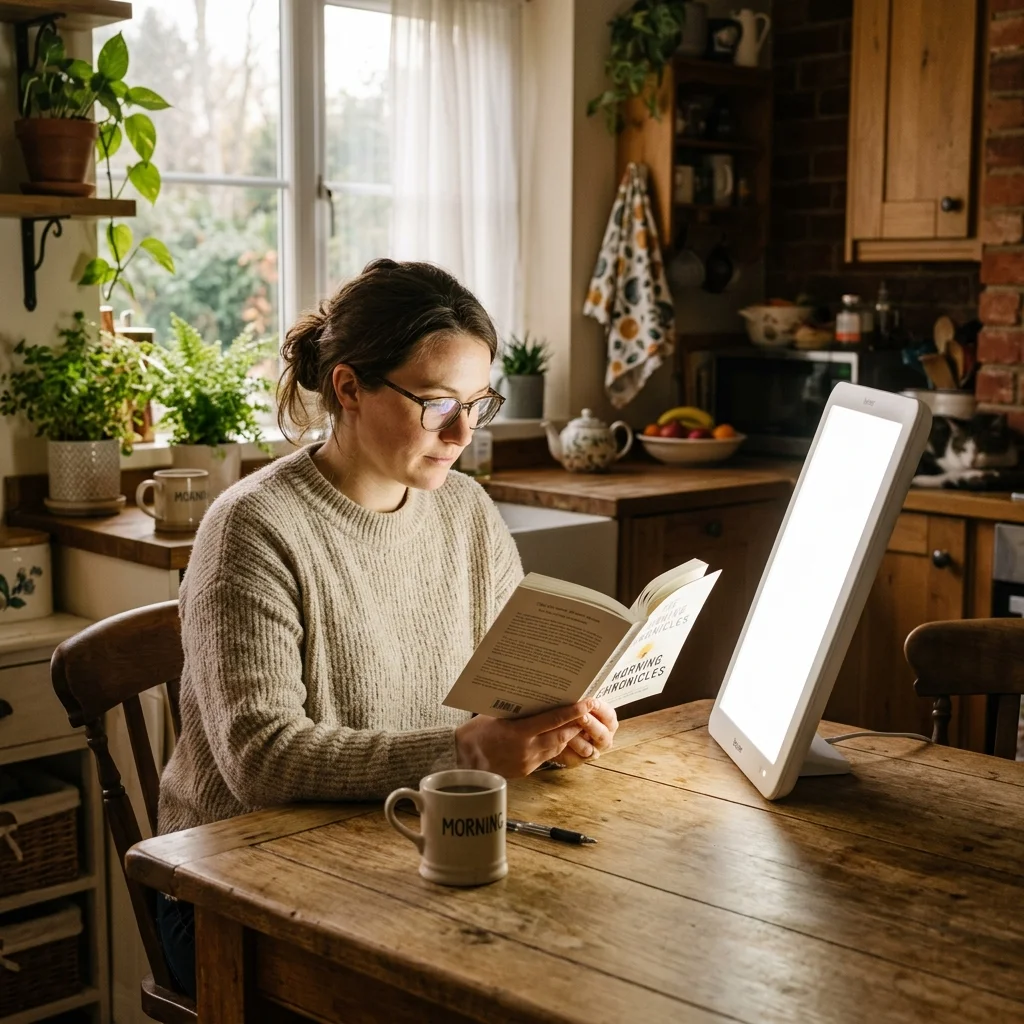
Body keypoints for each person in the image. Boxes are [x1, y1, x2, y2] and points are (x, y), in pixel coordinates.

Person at [155, 259, 619, 998]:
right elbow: (261, 760)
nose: (464, 431)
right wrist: (466, 748)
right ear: (348, 387)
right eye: (437, 404)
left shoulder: (465, 509)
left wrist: (555, 728)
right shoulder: (253, 528)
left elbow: (506, 691)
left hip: (402, 842)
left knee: (593, 956)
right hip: (233, 892)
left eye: (478, 403)